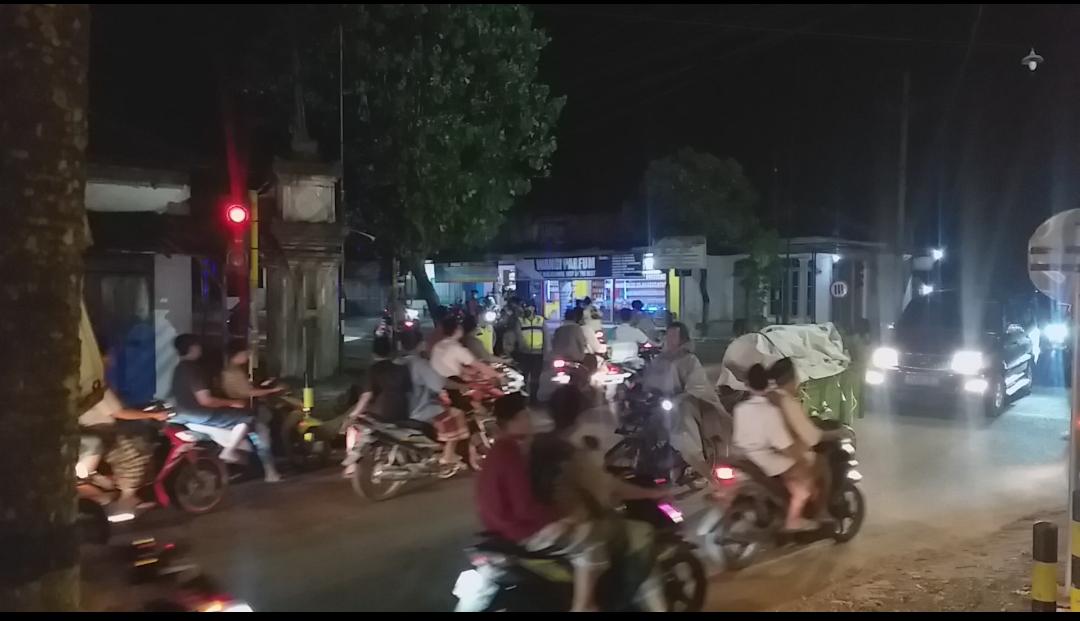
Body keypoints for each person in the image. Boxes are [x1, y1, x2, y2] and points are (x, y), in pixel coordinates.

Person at [529, 386, 669, 612]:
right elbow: (608, 489)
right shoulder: (570, 454)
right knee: (642, 532)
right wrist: (654, 493)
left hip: (542, 527)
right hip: (572, 529)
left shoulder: (537, 445)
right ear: (579, 414)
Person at [169, 334, 281, 482]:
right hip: (201, 414)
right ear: (193, 348)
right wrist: (232, 403)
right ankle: (230, 451)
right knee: (248, 418)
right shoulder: (196, 369)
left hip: (184, 415)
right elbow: (206, 400)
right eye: (245, 353)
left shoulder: (178, 369)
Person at [78, 354, 170, 511]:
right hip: (102, 433)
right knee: (134, 452)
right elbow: (120, 412)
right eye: (107, 358)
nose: (111, 362)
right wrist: (153, 415)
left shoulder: (85, 383)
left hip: (96, 430)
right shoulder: (95, 386)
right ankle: (127, 497)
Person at [733, 363, 817, 532]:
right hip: (766, 459)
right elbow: (783, 444)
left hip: (743, 456)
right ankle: (793, 520)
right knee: (803, 485)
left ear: (747, 385)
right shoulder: (770, 411)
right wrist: (800, 458)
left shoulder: (739, 409)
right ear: (767, 384)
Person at [641, 322, 728, 481]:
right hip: (660, 401)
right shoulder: (661, 358)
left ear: (682, 338)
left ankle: (704, 471)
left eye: (674, 336)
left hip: (683, 402)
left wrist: (679, 397)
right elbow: (649, 378)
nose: (670, 339)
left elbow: (697, 385)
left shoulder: (689, 359)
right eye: (668, 335)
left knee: (684, 433)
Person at [398, 329, 470, 467]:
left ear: (400, 345)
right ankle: (448, 456)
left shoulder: (398, 362)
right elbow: (439, 384)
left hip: (401, 408)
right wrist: (461, 386)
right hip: (420, 410)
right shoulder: (420, 364)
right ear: (421, 345)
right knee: (457, 414)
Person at [513, 300, 546, 402]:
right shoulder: (520, 321)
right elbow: (518, 336)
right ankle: (522, 398)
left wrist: (546, 351)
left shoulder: (540, 320)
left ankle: (534, 398)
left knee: (535, 377)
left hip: (538, 353)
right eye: (525, 307)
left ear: (533, 308)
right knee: (523, 377)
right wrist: (523, 347)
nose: (526, 309)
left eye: (528, 307)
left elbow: (546, 337)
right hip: (524, 354)